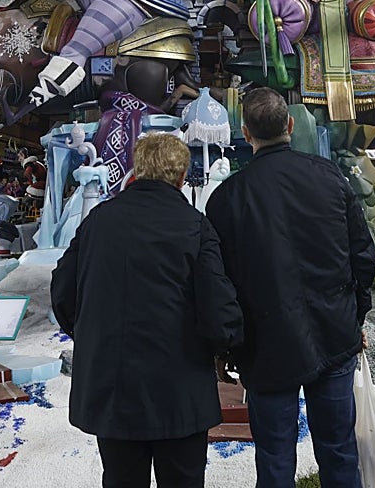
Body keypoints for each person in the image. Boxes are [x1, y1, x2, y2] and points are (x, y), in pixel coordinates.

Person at [205, 88, 375, 488]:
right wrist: (356, 316)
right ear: (290, 125)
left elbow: (218, 282)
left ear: (245, 133)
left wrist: (226, 343)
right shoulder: (330, 177)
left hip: (265, 344)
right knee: (338, 450)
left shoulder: (226, 198)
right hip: (333, 333)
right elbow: (363, 256)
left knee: (275, 456)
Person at [52, 132, 242, 488]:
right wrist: (227, 347)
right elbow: (218, 307)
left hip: (112, 384)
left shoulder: (98, 221)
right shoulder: (195, 226)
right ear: (182, 177)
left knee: (122, 479)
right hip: (179, 387)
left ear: (136, 172)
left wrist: (88, 333)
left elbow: (62, 290)